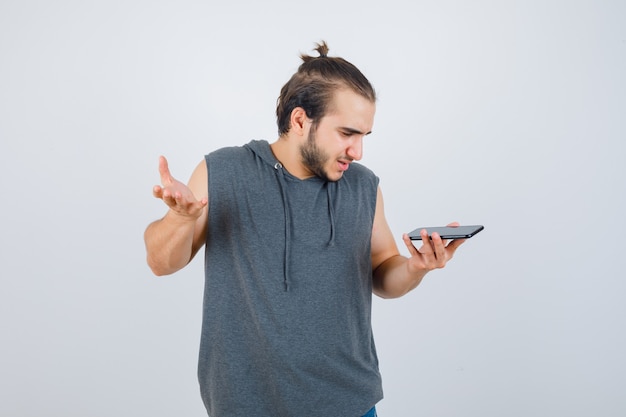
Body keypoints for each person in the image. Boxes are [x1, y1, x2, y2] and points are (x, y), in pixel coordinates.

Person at [144, 41, 466, 417]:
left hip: (350, 403)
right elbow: (160, 262)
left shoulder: (364, 186)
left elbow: (382, 272)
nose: (357, 151)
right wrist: (181, 219)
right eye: (347, 133)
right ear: (300, 121)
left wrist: (415, 267)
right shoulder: (225, 171)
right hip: (245, 406)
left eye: (364, 136)